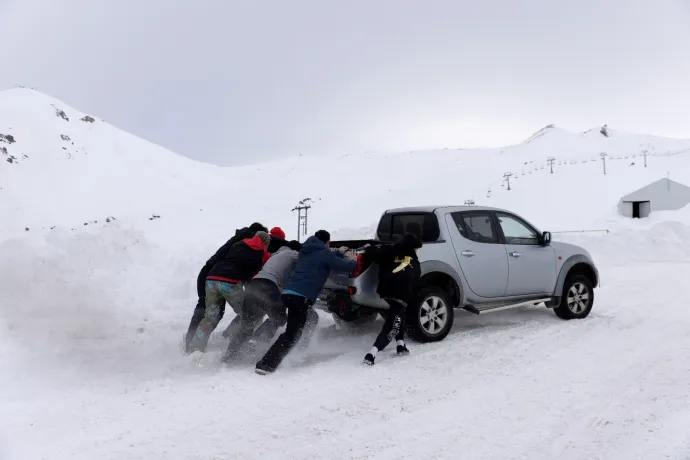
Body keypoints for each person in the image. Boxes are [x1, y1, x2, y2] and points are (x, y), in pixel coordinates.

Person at [255, 230, 357, 375]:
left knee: (310, 319)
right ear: (327, 243)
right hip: (300, 297)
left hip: (288, 293)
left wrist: (338, 253)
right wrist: (353, 259)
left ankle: (298, 348)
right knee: (292, 333)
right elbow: (346, 266)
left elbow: (323, 257)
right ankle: (266, 364)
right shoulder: (323, 254)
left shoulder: (306, 251)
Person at [184, 222, 267, 352]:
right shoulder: (260, 250)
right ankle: (239, 347)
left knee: (210, 316)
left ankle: (193, 348)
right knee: (249, 314)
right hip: (229, 281)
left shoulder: (239, 243)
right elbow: (254, 274)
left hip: (211, 277)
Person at [220, 239, 302, 363]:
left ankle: (229, 356)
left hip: (254, 284)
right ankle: (256, 341)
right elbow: (306, 258)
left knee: (248, 323)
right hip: (267, 285)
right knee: (279, 318)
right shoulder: (292, 254)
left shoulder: (276, 255)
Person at [361, 232, 422, 365]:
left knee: (398, 315)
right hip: (401, 294)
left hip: (385, 291)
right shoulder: (414, 261)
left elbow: (374, 254)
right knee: (393, 324)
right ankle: (372, 353)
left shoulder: (389, 250)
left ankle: (400, 345)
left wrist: (368, 247)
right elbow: (416, 277)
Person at [220, 226, 289, 339]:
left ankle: (229, 334)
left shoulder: (260, 244)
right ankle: (259, 338)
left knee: (249, 311)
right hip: (266, 285)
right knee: (269, 313)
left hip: (252, 282)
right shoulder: (276, 250)